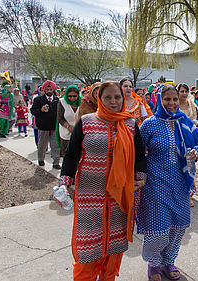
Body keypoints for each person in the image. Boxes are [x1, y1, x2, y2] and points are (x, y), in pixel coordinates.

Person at [57, 81, 146, 281]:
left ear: (123, 99)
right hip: (90, 194)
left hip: (120, 196)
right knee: (88, 245)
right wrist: (64, 182)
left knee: (114, 246)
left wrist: (140, 177)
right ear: (99, 99)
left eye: (117, 97)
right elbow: (71, 155)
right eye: (108, 97)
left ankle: (108, 278)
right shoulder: (86, 122)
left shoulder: (131, 124)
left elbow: (140, 155)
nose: (113, 102)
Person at [138, 85, 198, 281]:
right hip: (155, 182)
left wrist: (195, 153)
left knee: (178, 225)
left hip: (180, 183)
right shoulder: (149, 124)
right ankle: (153, 263)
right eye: (167, 99)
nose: (172, 103)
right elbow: (138, 153)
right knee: (158, 226)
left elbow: (197, 144)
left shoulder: (185, 121)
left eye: (175, 99)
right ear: (159, 100)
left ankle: (169, 261)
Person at [177, 83, 198, 207]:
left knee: (190, 167)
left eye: (186, 91)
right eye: (182, 91)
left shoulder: (193, 105)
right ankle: (182, 193)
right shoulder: (174, 106)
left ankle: (189, 194)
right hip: (178, 139)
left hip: (190, 140)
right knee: (179, 168)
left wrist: (197, 129)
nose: (184, 94)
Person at [30, 80, 61, 169]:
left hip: (54, 126)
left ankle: (56, 162)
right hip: (43, 126)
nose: (49, 91)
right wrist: (40, 110)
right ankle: (41, 159)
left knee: (55, 145)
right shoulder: (38, 99)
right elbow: (33, 111)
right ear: (44, 89)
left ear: (53, 89)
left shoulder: (57, 100)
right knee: (42, 144)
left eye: (50, 89)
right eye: (47, 89)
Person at [56, 85, 81, 157]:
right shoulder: (62, 102)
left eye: (74, 96)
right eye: (70, 96)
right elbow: (60, 118)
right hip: (66, 131)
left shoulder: (82, 102)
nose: (72, 98)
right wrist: (69, 127)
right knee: (67, 155)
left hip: (78, 131)